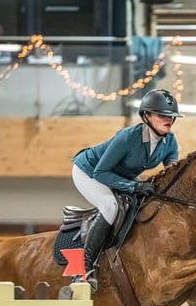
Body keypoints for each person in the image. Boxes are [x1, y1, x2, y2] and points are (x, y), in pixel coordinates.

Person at [71, 89, 182, 290]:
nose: (169, 120)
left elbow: (173, 174)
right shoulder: (127, 137)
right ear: (146, 116)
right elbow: (101, 173)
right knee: (110, 207)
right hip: (88, 171)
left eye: (171, 116)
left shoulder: (170, 141)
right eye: (162, 115)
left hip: (120, 176)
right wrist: (134, 186)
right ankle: (84, 270)